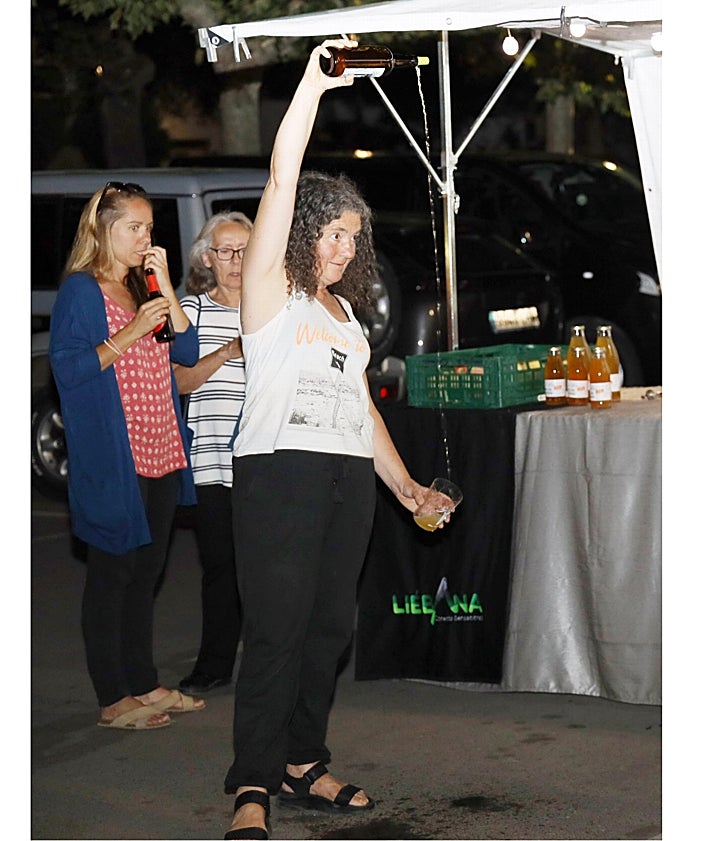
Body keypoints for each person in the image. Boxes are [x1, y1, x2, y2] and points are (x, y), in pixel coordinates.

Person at [222, 39, 455, 840]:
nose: (341, 249)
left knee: (328, 628)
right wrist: (314, 86)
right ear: (300, 237)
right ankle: (251, 779)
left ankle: (300, 760)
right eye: (329, 234)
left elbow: (364, 413)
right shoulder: (269, 295)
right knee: (278, 628)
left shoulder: (346, 319)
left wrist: (407, 488)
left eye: (352, 238)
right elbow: (284, 176)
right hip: (277, 474)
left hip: (345, 479)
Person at [49, 181, 206, 731]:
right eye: (133, 228)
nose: (145, 238)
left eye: (149, 228)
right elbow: (67, 368)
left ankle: (144, 683)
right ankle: (114, 697)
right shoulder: (81, 291)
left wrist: (162, 287)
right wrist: (132, 331)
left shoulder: (145, 286)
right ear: (103, 228)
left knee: (146, 573)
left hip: (161, 447)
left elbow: (185, 352)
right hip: (117, 455)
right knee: (112, 576)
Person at [173, 212, 253, 696]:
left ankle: (273, 665)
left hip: (266, 458)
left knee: (269, 569)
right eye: (225, 251)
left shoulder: (275, 308)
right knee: (221, 565)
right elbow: (177, 382)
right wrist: (225, 353)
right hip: (211, 459)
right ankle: (215, 663)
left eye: (245, 249)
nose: (236, 260)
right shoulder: (191, 311)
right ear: (207, 258)